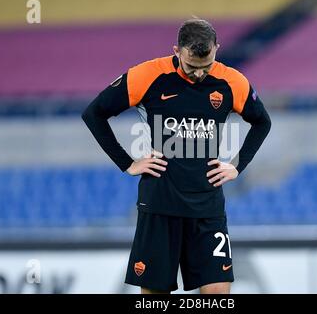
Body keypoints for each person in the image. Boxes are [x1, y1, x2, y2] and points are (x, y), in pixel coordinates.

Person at [82, 18, 271, 294]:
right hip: (160, 205)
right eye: (191, 66)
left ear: (216, 49)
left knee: (218, 294)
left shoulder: (231, 81)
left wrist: (237, 166)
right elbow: (94, 113)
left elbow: (262, 121)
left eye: (205, 66)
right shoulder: (148, 75)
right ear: (176, 51)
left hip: (207, 208)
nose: (198, 74)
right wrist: (127, 163)